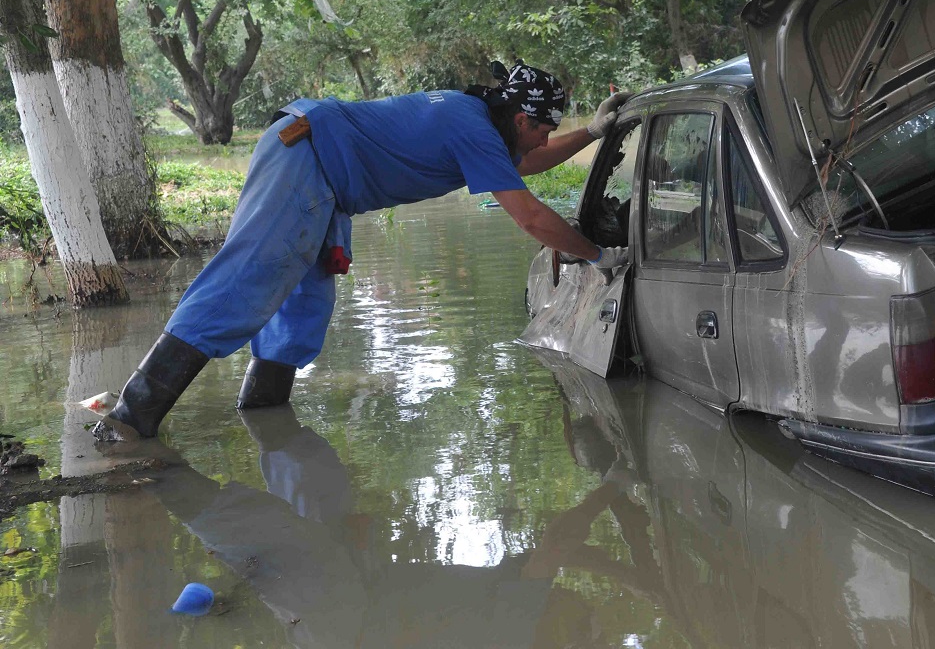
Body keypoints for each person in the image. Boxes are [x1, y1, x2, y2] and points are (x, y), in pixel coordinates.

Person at [93, 60, 631, 441]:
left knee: (304, 305)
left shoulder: (480, 124)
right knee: (245, 282)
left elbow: (522, 165)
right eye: (546, 129)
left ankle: (264, 417)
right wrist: (596, 256)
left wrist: (592, 132)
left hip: (323, 172)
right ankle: (130, 417)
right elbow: (531, 216)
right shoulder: (473, 127)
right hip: (304, 156)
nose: (545, 139)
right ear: (521, 119)